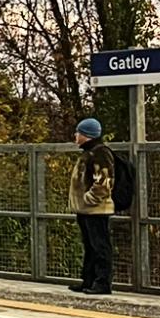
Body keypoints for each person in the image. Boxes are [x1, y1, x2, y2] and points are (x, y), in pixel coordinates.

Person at [69, 117, 116, 296]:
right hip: (86, 209)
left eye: (79, 132)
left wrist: (88, 199)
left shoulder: (100, 153)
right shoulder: (90, 153)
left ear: (86, 135)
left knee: (100, 246)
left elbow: (103, 182)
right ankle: (88, 280)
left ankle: (102, 282)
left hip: (96, 208)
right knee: (90, 245)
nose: (76, 135)